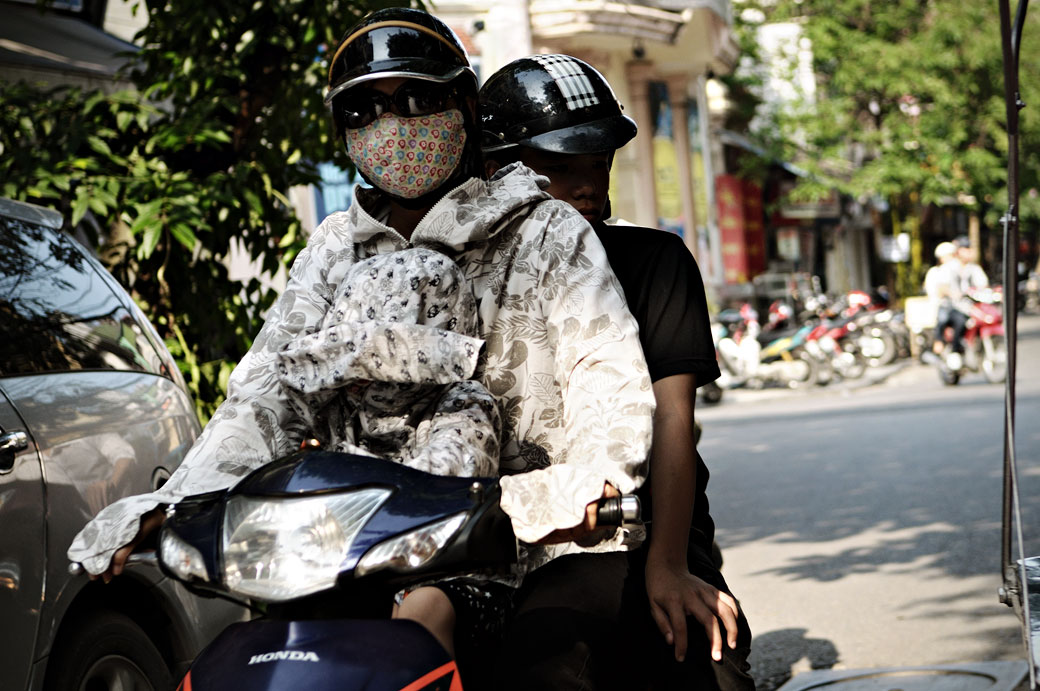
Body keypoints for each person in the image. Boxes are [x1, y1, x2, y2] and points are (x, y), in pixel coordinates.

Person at [67, 7, 654, 670]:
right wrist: (178, 504)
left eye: (417, 100)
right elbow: (263, 400)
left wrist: (584, 489)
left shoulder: (547, 232)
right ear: (343, 132)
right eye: (364, 111)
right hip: (339, 549)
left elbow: (610, 395)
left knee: (551, 655)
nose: (393, 126)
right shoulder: (332, 249)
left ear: (464, 103)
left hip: (532, 544)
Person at [480, 55, 754, 690]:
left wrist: (666, 564)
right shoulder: (458, 271)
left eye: (597, 165)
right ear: (494, 171)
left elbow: (673, 423)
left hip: (630, 533)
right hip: (492, 543)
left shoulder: (655, 262)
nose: (589, 188)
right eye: (560, 170)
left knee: (707, 659)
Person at [275, 246, 501, 655]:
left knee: (423, 609)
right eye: (351, 361)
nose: (360, 375)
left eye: (379, 360)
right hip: (345, 569)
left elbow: (447, 478)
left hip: (447, 572)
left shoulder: (464, 402)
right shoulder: (340, 407)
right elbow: (289, 392)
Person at [924, 241, 967, 358]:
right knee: (943, 319)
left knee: (961, 321)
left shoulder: (956, 269)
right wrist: (953, 294)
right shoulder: (939, 271)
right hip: (941, 306)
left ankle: (957, 348)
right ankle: (938, 342)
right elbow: (941, 290)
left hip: (953, 306)